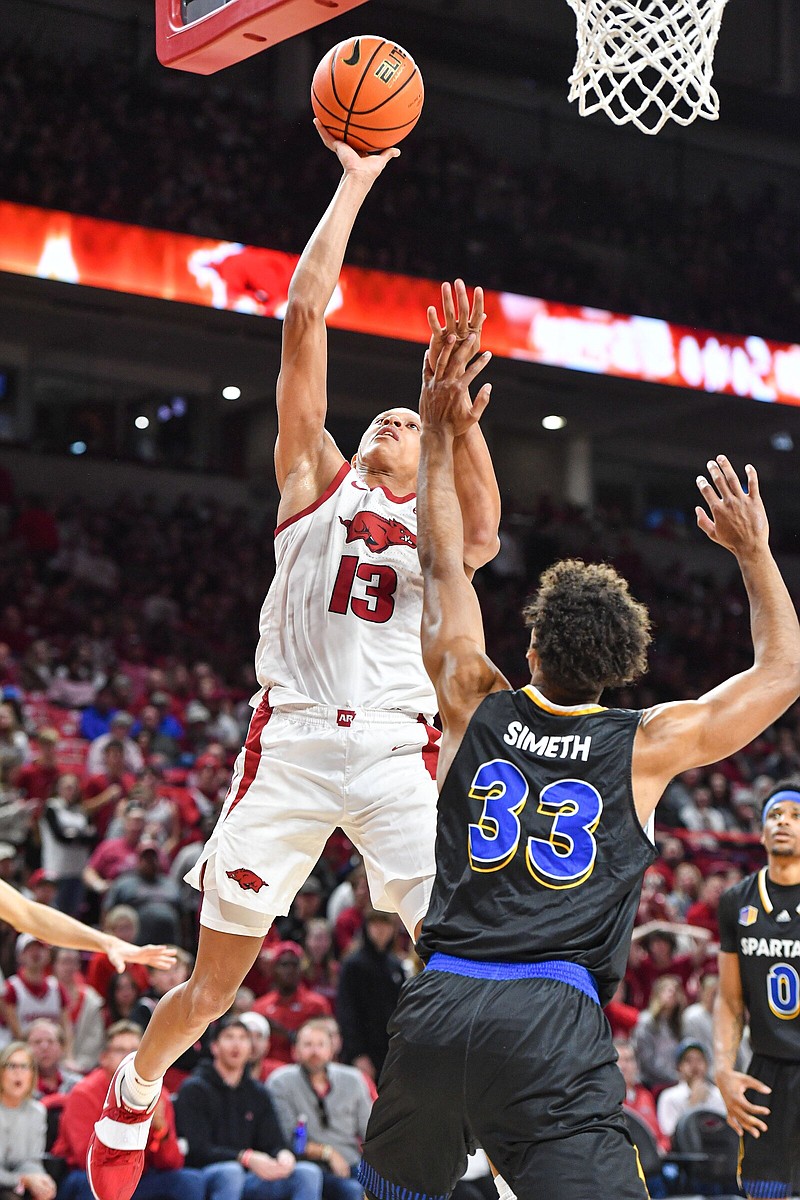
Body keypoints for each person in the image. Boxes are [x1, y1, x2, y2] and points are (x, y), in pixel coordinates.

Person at [86, 124, 503, 1200]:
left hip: (398, 757)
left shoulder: (436, 521)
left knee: (467, 950)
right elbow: (303, 315)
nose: (391, 418)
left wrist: (456, 417)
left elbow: (483, 537)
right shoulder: (310, 483)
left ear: (426, 457)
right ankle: (134, 1090)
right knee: (216, 986)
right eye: (387, 413)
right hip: (293, 743)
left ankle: (491, 1129)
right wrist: (354, 179)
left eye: (409, 421)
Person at [356, 334, 800, 1200]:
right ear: (622, 668)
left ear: (529, 643)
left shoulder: (474, 695)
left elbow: (443, 564)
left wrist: (443, 429)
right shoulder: (645, 743)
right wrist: (753, 553)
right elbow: (781, 672)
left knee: (396, 1194)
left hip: (440, 1003)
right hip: (549, 1021)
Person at [713, 781, 800, 1199]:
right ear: (762, 832)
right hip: (766, 1073)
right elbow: (730, 1001)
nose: (784, 821)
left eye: (796, 816)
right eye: (775, 815)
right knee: (765, 1192)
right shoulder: (735, 902)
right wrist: (722, 1069)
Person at [173, 1016, 323, 1200]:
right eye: (229, 1037)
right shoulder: (194, 1089)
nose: (236, 1045)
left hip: (251, 1175)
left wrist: (284, 1155)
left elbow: (273, 1142)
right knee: (231, 1173)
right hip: (208, 1174)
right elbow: (197, 1149)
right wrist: (245, 1157)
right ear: (214, 1047)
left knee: (307, 1173)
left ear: (250, 1049)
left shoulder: (258, 1092)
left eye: (243, 1038)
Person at [54, 1022, 204, 1200]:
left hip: (138, 1176)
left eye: (136, 1051)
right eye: (120, 1050)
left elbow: (172, 1163)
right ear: (104, 1058)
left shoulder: (158, 1094)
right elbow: (84, 1157)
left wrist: (160, 1128)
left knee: (190, 1181)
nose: (129, 1057)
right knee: (93, 1187)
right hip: (87, 1176)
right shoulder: (83, 1093)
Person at [268, 1018, 372, 1200]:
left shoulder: (353, 1079)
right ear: (295, 1051)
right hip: (307, 1165)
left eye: (321, 1044)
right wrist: (328, 1153)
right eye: (308, 1045)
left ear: (332, 1050)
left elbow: (370, 1132)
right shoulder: (280, 1082)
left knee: (390, 1187)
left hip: (352, 1162)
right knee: (352, 1191)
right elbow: (288, 1138)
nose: (315, 1051)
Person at [336, 911, 404, 1080]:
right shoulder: (353, 965)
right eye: (375, 924)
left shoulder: (396, 965)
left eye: (386, 924)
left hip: (390, 1051)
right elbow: (347, 1012)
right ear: (366, 927)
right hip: (362, 1053)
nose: (381, 930)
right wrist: (357, 1054)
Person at [252, 944, 332, 1065]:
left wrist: (288, 1034)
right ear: (274, 969)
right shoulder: (259, 1007)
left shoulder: (317, 1005)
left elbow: (329, 1041)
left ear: (301, 969)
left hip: (306, 1069)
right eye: (284, 965)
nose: (289, 970)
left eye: (294, 965)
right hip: (266, 1073)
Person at [0, 1041, 55, 1200]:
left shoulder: (37, 1111)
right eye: (12, 1066)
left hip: (15, 1187)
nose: (18, 1073)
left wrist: (41, 1180)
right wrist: (23, 1179)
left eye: (24, 1067)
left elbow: (32, 1161)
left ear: (32, 1075)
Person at [655, 1038, 725, 1142]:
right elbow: (670, 1136)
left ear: (707, 1065)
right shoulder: (669, 1097)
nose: (695, 1065)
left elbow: (726, 1130)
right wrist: (694, 1103)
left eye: (699, 1060)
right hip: (683, 1155)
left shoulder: (718, 1095)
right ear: (679, 1067)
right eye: (688, 1060)